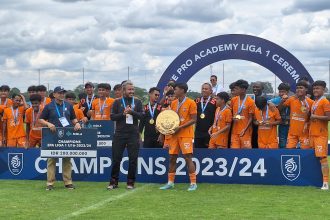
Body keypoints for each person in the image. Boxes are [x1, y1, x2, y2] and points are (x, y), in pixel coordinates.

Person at [39, 86, 81, 190]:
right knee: (51, 159)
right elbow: (40, 119)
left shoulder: (69, 105)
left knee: (67, 159)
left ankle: (68, 182)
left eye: (63, 93)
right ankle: (50, 183)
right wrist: (48, 124)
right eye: (59, 93)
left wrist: (77, 124)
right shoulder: (49, 106)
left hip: (66, 135)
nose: (62, 94)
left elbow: (73, 118)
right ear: (54, 94)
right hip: (53, 135)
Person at [159, 82, 197, 191]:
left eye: (176, 89)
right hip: (173, 135)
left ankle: (193, 183)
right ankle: (170, 182)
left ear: (182, 90)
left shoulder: (191, 103)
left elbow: (194, 120)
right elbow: (170, 119)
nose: (174, 91)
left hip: (186, 135)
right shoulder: (174, 103)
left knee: (188, 157)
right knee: (172, 158)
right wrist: (163, 132)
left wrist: (180, 127)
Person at [108, 81, 143, 190]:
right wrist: (123, 114)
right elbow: (112, 117)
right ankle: (113, 182)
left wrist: (132, 112)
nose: (132, 91)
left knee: (133, 159)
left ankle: (130, 182)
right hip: (119, 134)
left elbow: (142, 116)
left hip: (133, 134)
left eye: (133, 89)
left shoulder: (137, 102)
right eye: (129, 89)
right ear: (123, 91)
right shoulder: (117, 102)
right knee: (116, 159)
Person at [279, 81, 313, 149]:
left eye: (301, 88)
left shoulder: (311, 102)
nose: (298, 89)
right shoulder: (291, 99)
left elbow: (312, 117)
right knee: (289, 152)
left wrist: (308, 117)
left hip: (304, 133)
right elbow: (280, 108)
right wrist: (282, 100)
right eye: (297, 88)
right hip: (292, 133)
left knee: (305, 154)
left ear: (306, 89)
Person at [309, 80, 330, 190]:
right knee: (315, 157)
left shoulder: (325, 102)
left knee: (322, 157)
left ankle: (326, 182)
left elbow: (329, 117)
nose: (315, 90)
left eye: (318, 88)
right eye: (314, 88)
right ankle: (317, 180)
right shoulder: (315, 101)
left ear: (324, 90)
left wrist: (316, 117)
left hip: (321, 135)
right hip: (313, 133)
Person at [230, 80, 255, 149]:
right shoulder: (233, 100)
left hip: (245, 132)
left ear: (243, 90)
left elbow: (251, 118)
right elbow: (231, 113)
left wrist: (245, 129)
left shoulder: (251, 102)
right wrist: (232, 118)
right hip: (234, 132)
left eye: (237, 89)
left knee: (246, 153)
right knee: (234, 152)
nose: (235, 90)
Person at [194, 83, 217, 148]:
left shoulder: (215, 101)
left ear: (210, 91)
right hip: (198, 131)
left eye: (206, 89)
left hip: (210, 131)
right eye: (203, 89)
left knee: (209, 151)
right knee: (198, 151)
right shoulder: (196, 101)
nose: (204, 90)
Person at [269, 83, 291, 148]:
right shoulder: (276, 100)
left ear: (288, 92)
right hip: (282, 125)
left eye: (283, 92)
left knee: (291, 144)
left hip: (292, 126)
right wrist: (281, 102)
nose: (281, 93)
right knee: (282, 144)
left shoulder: (292, 99)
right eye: (280, 91)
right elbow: (267, 102)